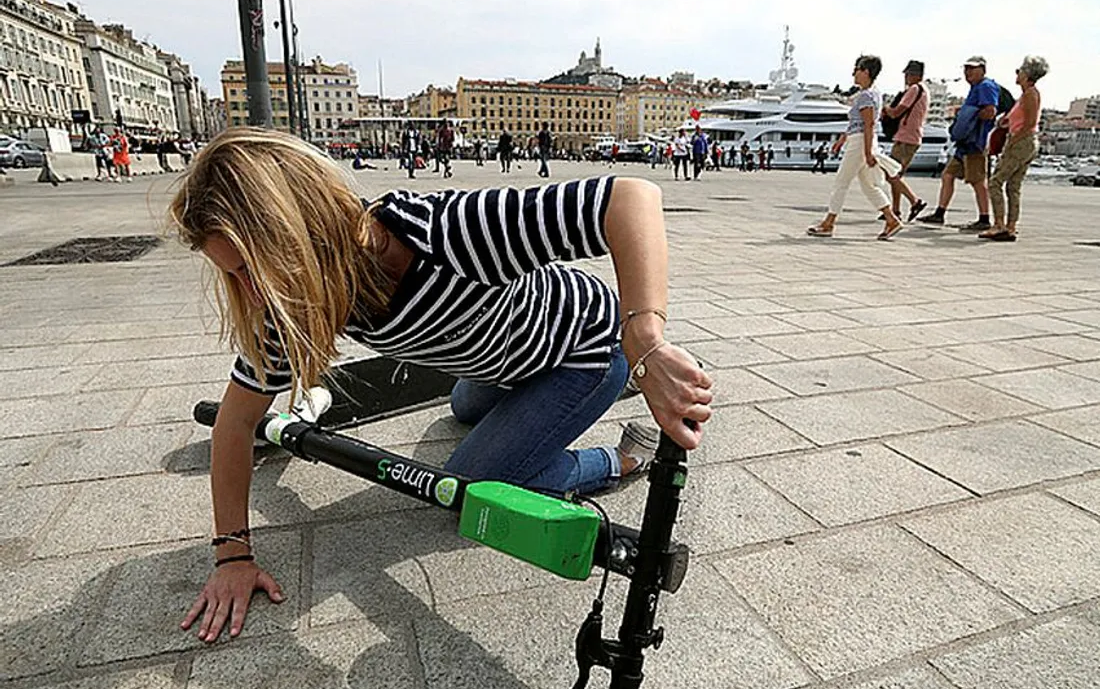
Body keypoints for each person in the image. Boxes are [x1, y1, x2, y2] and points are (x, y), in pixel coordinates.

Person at [169, 128, 713, 642]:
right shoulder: (289, 300)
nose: (252, 293)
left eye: (249, 268)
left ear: (298, 232)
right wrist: (232, 556)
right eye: (232, 275)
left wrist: (644, 339)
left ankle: (618, 460)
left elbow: (630, 198)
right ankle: (529, 417)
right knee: (463, 408)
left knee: (466, 487)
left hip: (585, 349)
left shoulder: (439, 233)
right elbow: (235, 423)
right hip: (498, 364)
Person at [806, 55, 904, 240]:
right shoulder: (873, 93)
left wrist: (867, 152)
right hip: (860, 140)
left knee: (841, 183)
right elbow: (860, 124)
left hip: (860, 143)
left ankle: (829, 223)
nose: (854, 73)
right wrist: (843, 138)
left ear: (866, 72)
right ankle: (891, 220)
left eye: (857, 69)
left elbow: (868, 125)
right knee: (869, 186)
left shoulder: (866, 95)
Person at [917, 56, 999, 231]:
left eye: (972, 69)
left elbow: (991, 111)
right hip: (965, 144)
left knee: (977, 180)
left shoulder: (986, 86)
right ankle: (940, 213)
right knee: (948, 175)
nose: (968, 72)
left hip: (975, 142)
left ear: (983, 70)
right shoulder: (976, 88)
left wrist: (969, 116)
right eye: (966, 68)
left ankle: (984, 218)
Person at [979, 55, 1048, 242]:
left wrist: (1012, 141)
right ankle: (1010, 226)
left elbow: (1030, 123)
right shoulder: (1026, 95)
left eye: (1020, 71)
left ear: (1027, 74)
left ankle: (999, 224)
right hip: (1025, 142)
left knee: (995, 182)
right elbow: (1019, 119)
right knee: (1013, 186)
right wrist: (1005, 122)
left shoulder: (1030, 94)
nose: (1016, 74)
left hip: (1021, 142)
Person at [881, 60, 929, 221]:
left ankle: (914, 201)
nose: (906, 77)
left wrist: (886, 109)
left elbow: (897, 112)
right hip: (910, 136)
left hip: (906, 137)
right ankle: (896, 209)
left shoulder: (914, 89)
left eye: (908, 74)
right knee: (895, 174)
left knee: (891, 174)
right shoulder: (924, 90)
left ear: (916, 75)